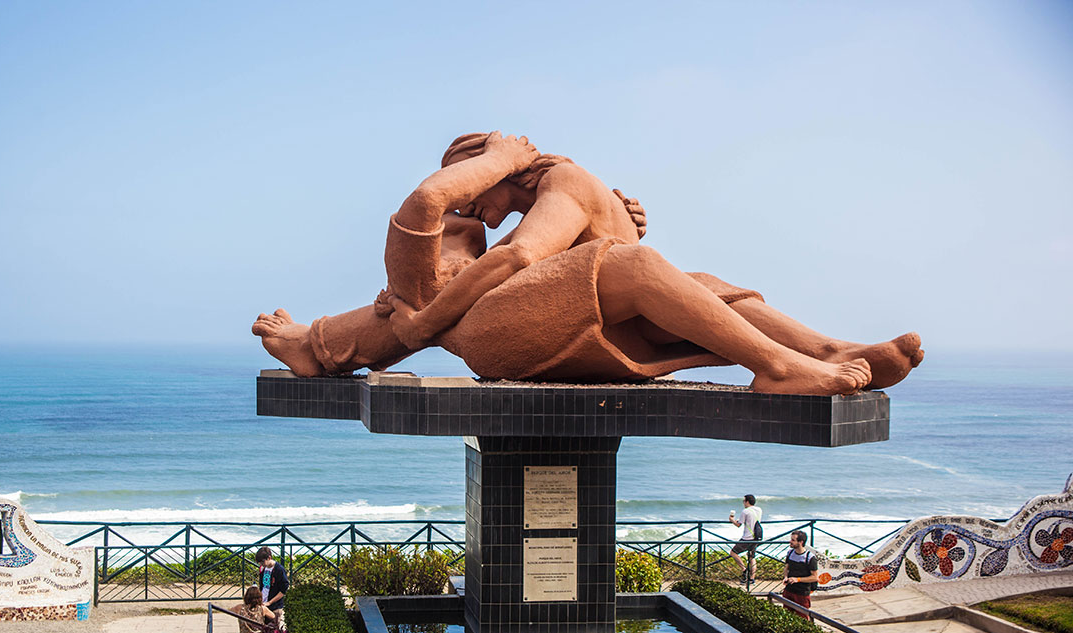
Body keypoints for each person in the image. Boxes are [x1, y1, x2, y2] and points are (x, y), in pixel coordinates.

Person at [255, 132, 923, 394]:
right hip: (493, 334)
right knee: (635, 265)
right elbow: (461, 224)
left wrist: (422, 323)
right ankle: (781, 366)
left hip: (531, 330)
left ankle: (828, 349)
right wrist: (423, 323)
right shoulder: (453, 226)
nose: (468, 205)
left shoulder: (561, 184)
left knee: (701, 285)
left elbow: (524, 258)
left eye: (472, 185)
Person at [781, 529, 819, 621]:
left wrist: (797, 579)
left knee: (802, 617)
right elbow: (787, 568)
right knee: (786, 616)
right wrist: (785, 577)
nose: (790, 542)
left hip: (802, 592)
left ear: (801, 542)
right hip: (789, 590)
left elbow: (814, 577)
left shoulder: (810, 558)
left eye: (793, 540)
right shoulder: (790, 553)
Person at [254, 546, 289, 630]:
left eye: (262, 562)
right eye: (259, 562)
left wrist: (270, 602)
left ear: (269, 558)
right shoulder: (263, 568)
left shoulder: (279, 570)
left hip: (275, 606)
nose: (261, 564)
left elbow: (283, 590)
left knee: (276, 629)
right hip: (263, 603)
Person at [728, 494, 762, 581]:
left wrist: (732, 519)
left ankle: (744, 569)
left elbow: (738, 524)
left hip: (747, 538)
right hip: (756, 537)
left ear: (747, 502)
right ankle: (752, 578)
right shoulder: (759, 510)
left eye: (744, 501)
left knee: (733, 552)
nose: (743, 503)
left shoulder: (745, 511)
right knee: (752, 557)